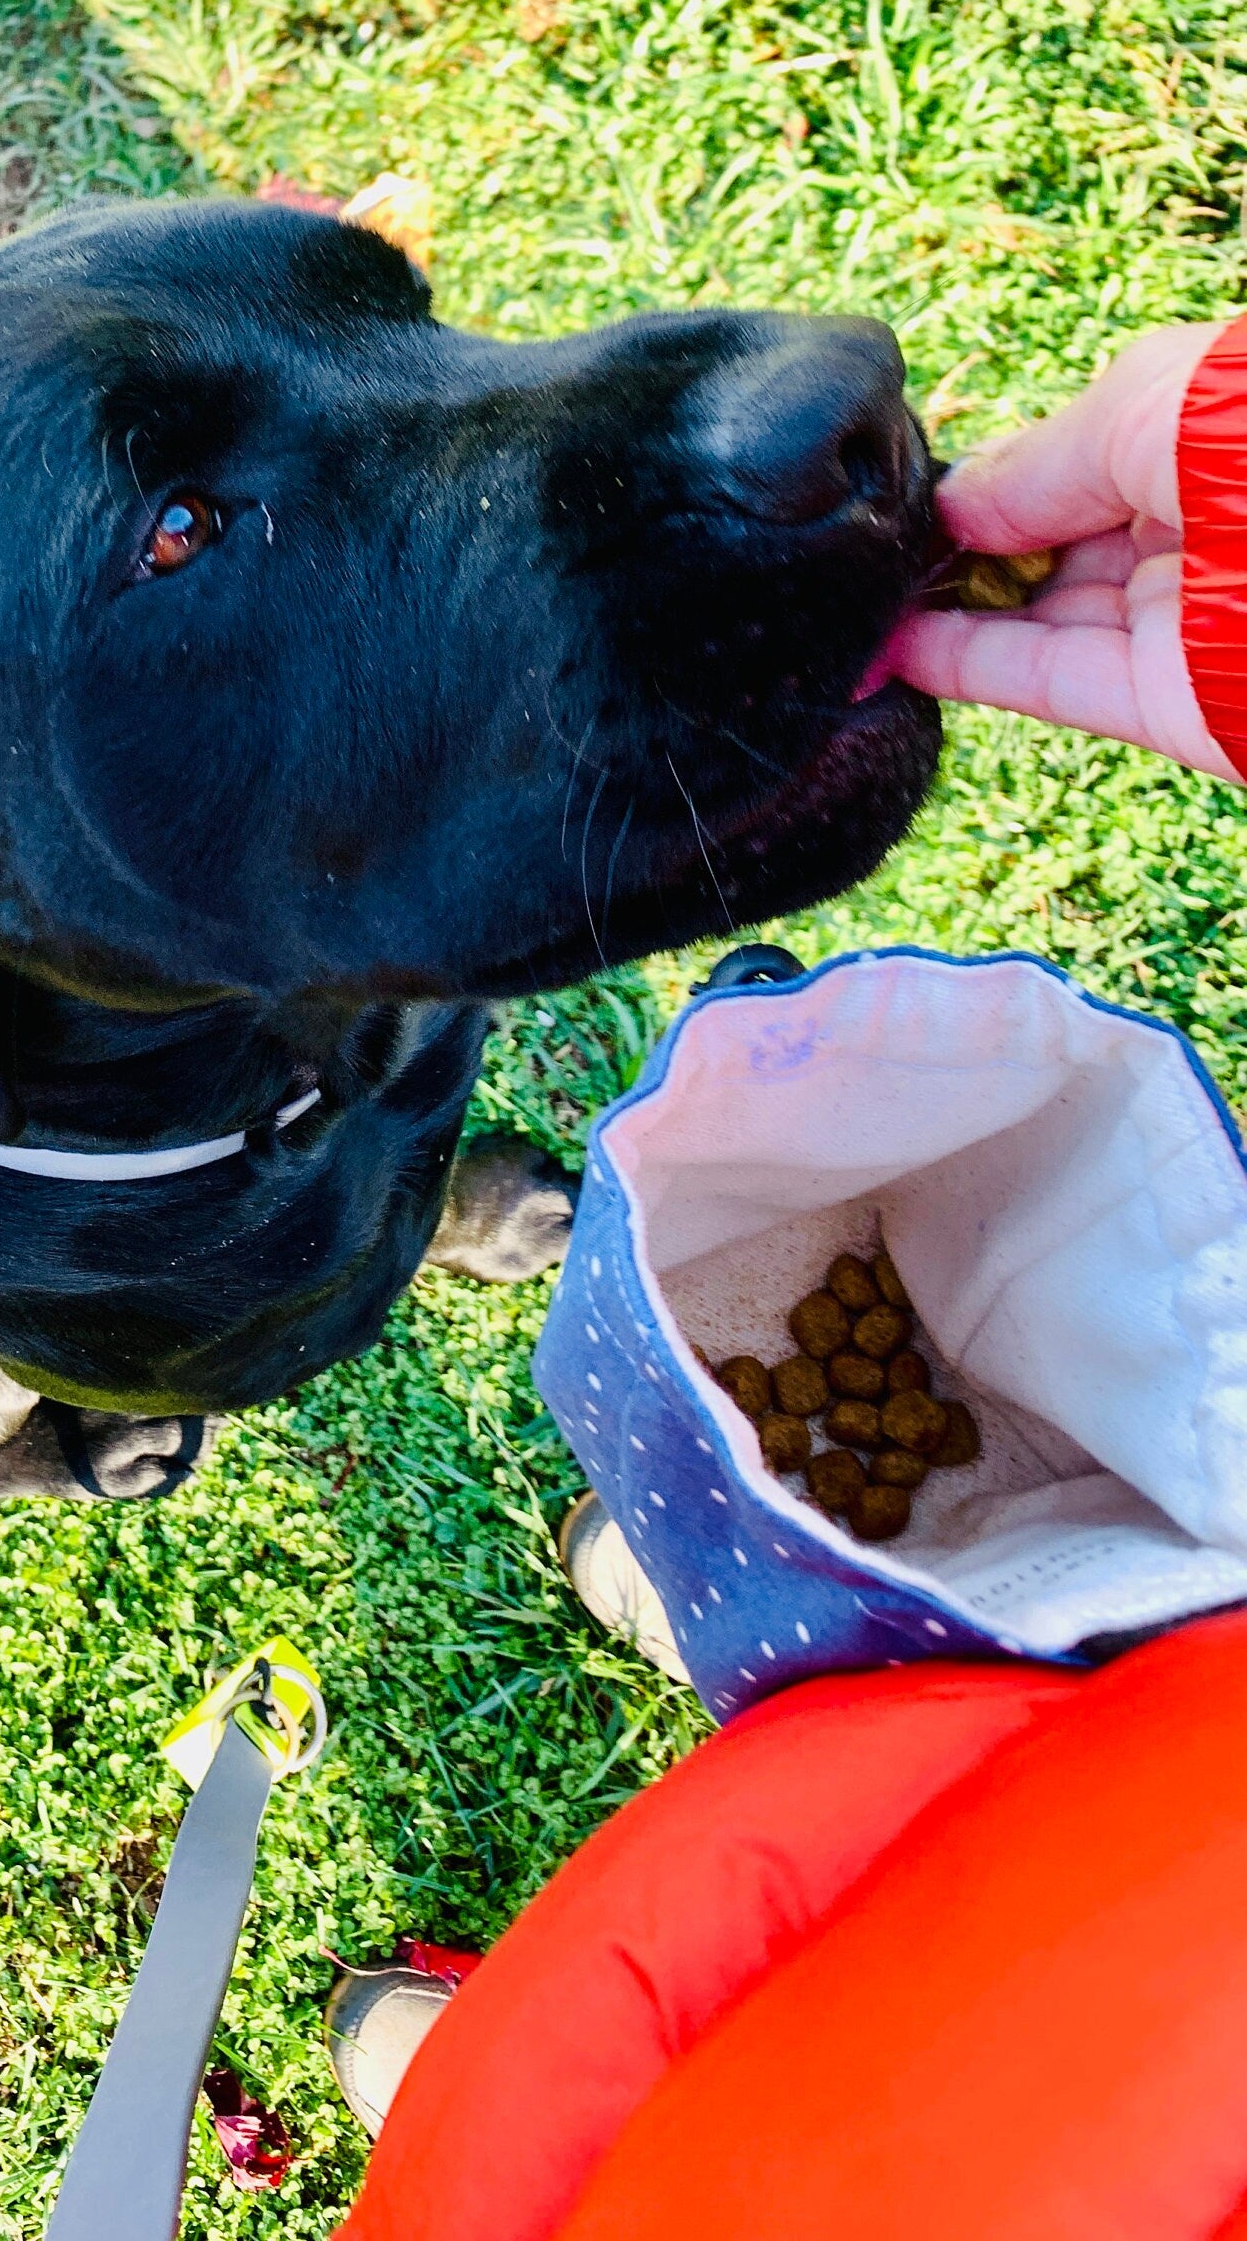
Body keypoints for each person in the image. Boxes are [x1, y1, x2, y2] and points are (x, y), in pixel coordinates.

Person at [325, 316, 1247, 2239]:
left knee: (603, 2105)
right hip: (1171, 1808)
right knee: (864, 1867)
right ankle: (829, 1727)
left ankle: (545, 2088)